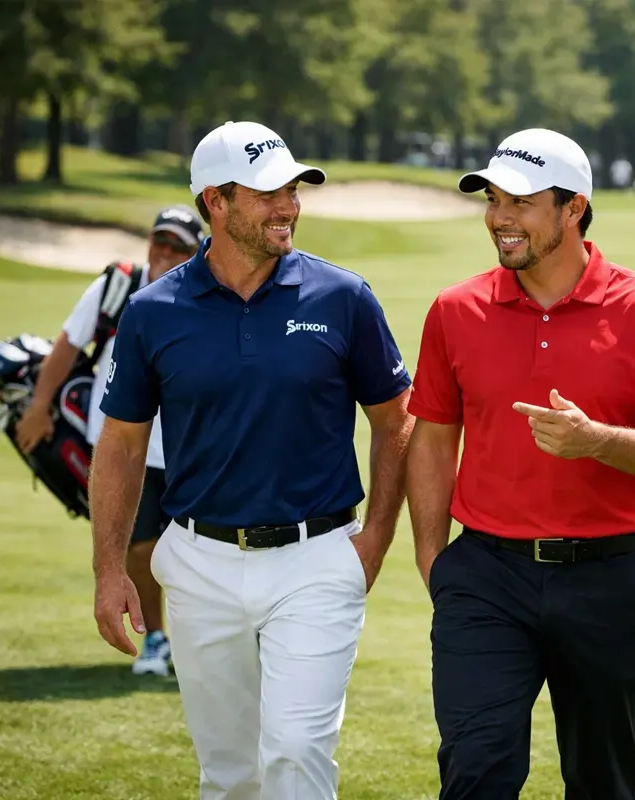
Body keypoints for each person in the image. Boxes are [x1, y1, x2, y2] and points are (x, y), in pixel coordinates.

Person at [90, 120, 414, 800]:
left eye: (293, 189)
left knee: (296, 752)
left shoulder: (344, 298)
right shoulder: (154, 312)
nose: (288, 206)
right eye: (268, 193)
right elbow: (121, 443)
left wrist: (376, 538)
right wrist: (109, 567)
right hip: (199, 561)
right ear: (215, 200)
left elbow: (396, 421)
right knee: (231, 775)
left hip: (317, 558)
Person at [406, 127, 635, 800]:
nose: (499, 218)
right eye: (493, 200)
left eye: (521, 202)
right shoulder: (455, 310)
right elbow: (431, 437)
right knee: (476, 772)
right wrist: (434, 559)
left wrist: (599, 441)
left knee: (603, 783)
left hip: (609, 578)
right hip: (484, 577)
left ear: (574, 208)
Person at [15, 205, 204, 676]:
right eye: (159, 240)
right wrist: (39, 408)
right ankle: (158, 639)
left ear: (196, 249)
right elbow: (68, 345)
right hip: (126, 451)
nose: (165, 251)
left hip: (193, 450)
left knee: (200, 554)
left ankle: (205, 646)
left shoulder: (208, 296)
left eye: (177, 245)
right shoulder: (118, 287)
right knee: (139, 549)